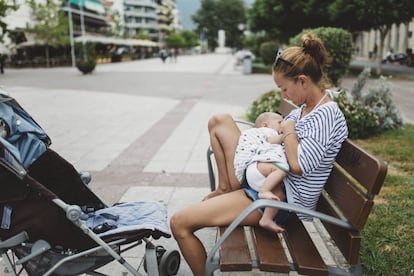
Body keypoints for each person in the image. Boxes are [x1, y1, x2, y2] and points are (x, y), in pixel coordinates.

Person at [170, 32, 348, 276]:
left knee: (179, 223)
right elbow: (282, 140)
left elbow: (296, 166)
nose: (283, 96)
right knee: (220, 120)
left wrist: (288, 131)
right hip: (265, 179)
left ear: (303, 81)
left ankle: (230, 193)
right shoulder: (304, 110)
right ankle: (227, 189)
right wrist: (277, 134)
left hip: (279, 201)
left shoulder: (326, 115)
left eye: (284, 88)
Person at [203, 111, 289, 233]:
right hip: (257, 169)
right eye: (280, 122)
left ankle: (225, 188)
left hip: (262, 177)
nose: (283, 124)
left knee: (220, 119)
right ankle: (223, 187)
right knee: (218, 120)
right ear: (265, 125)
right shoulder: (271, 131)